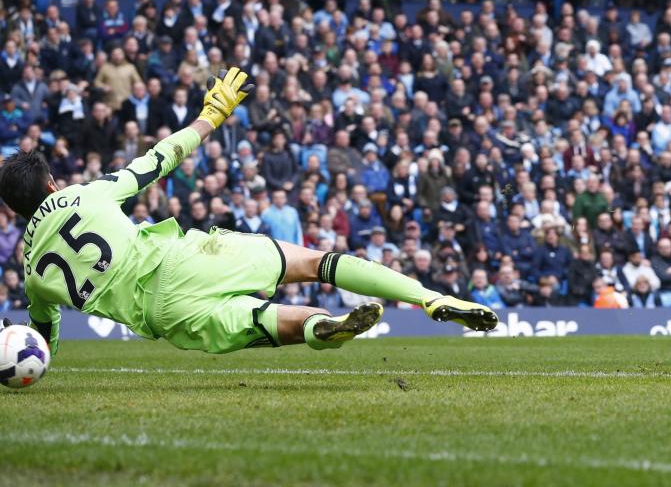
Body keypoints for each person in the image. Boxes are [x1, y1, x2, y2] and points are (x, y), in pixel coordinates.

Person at [0, 68, 497, 360]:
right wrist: (209, 117)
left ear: (14, 208)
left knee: (268, 322)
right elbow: (154, 160)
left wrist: (28, 357)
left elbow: (43, 336)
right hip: (179, 260)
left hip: (163, 319)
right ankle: (429, 299)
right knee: (313, 263)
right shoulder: (86, 195)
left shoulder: (31, 272)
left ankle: (321, 326)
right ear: (50, 183)